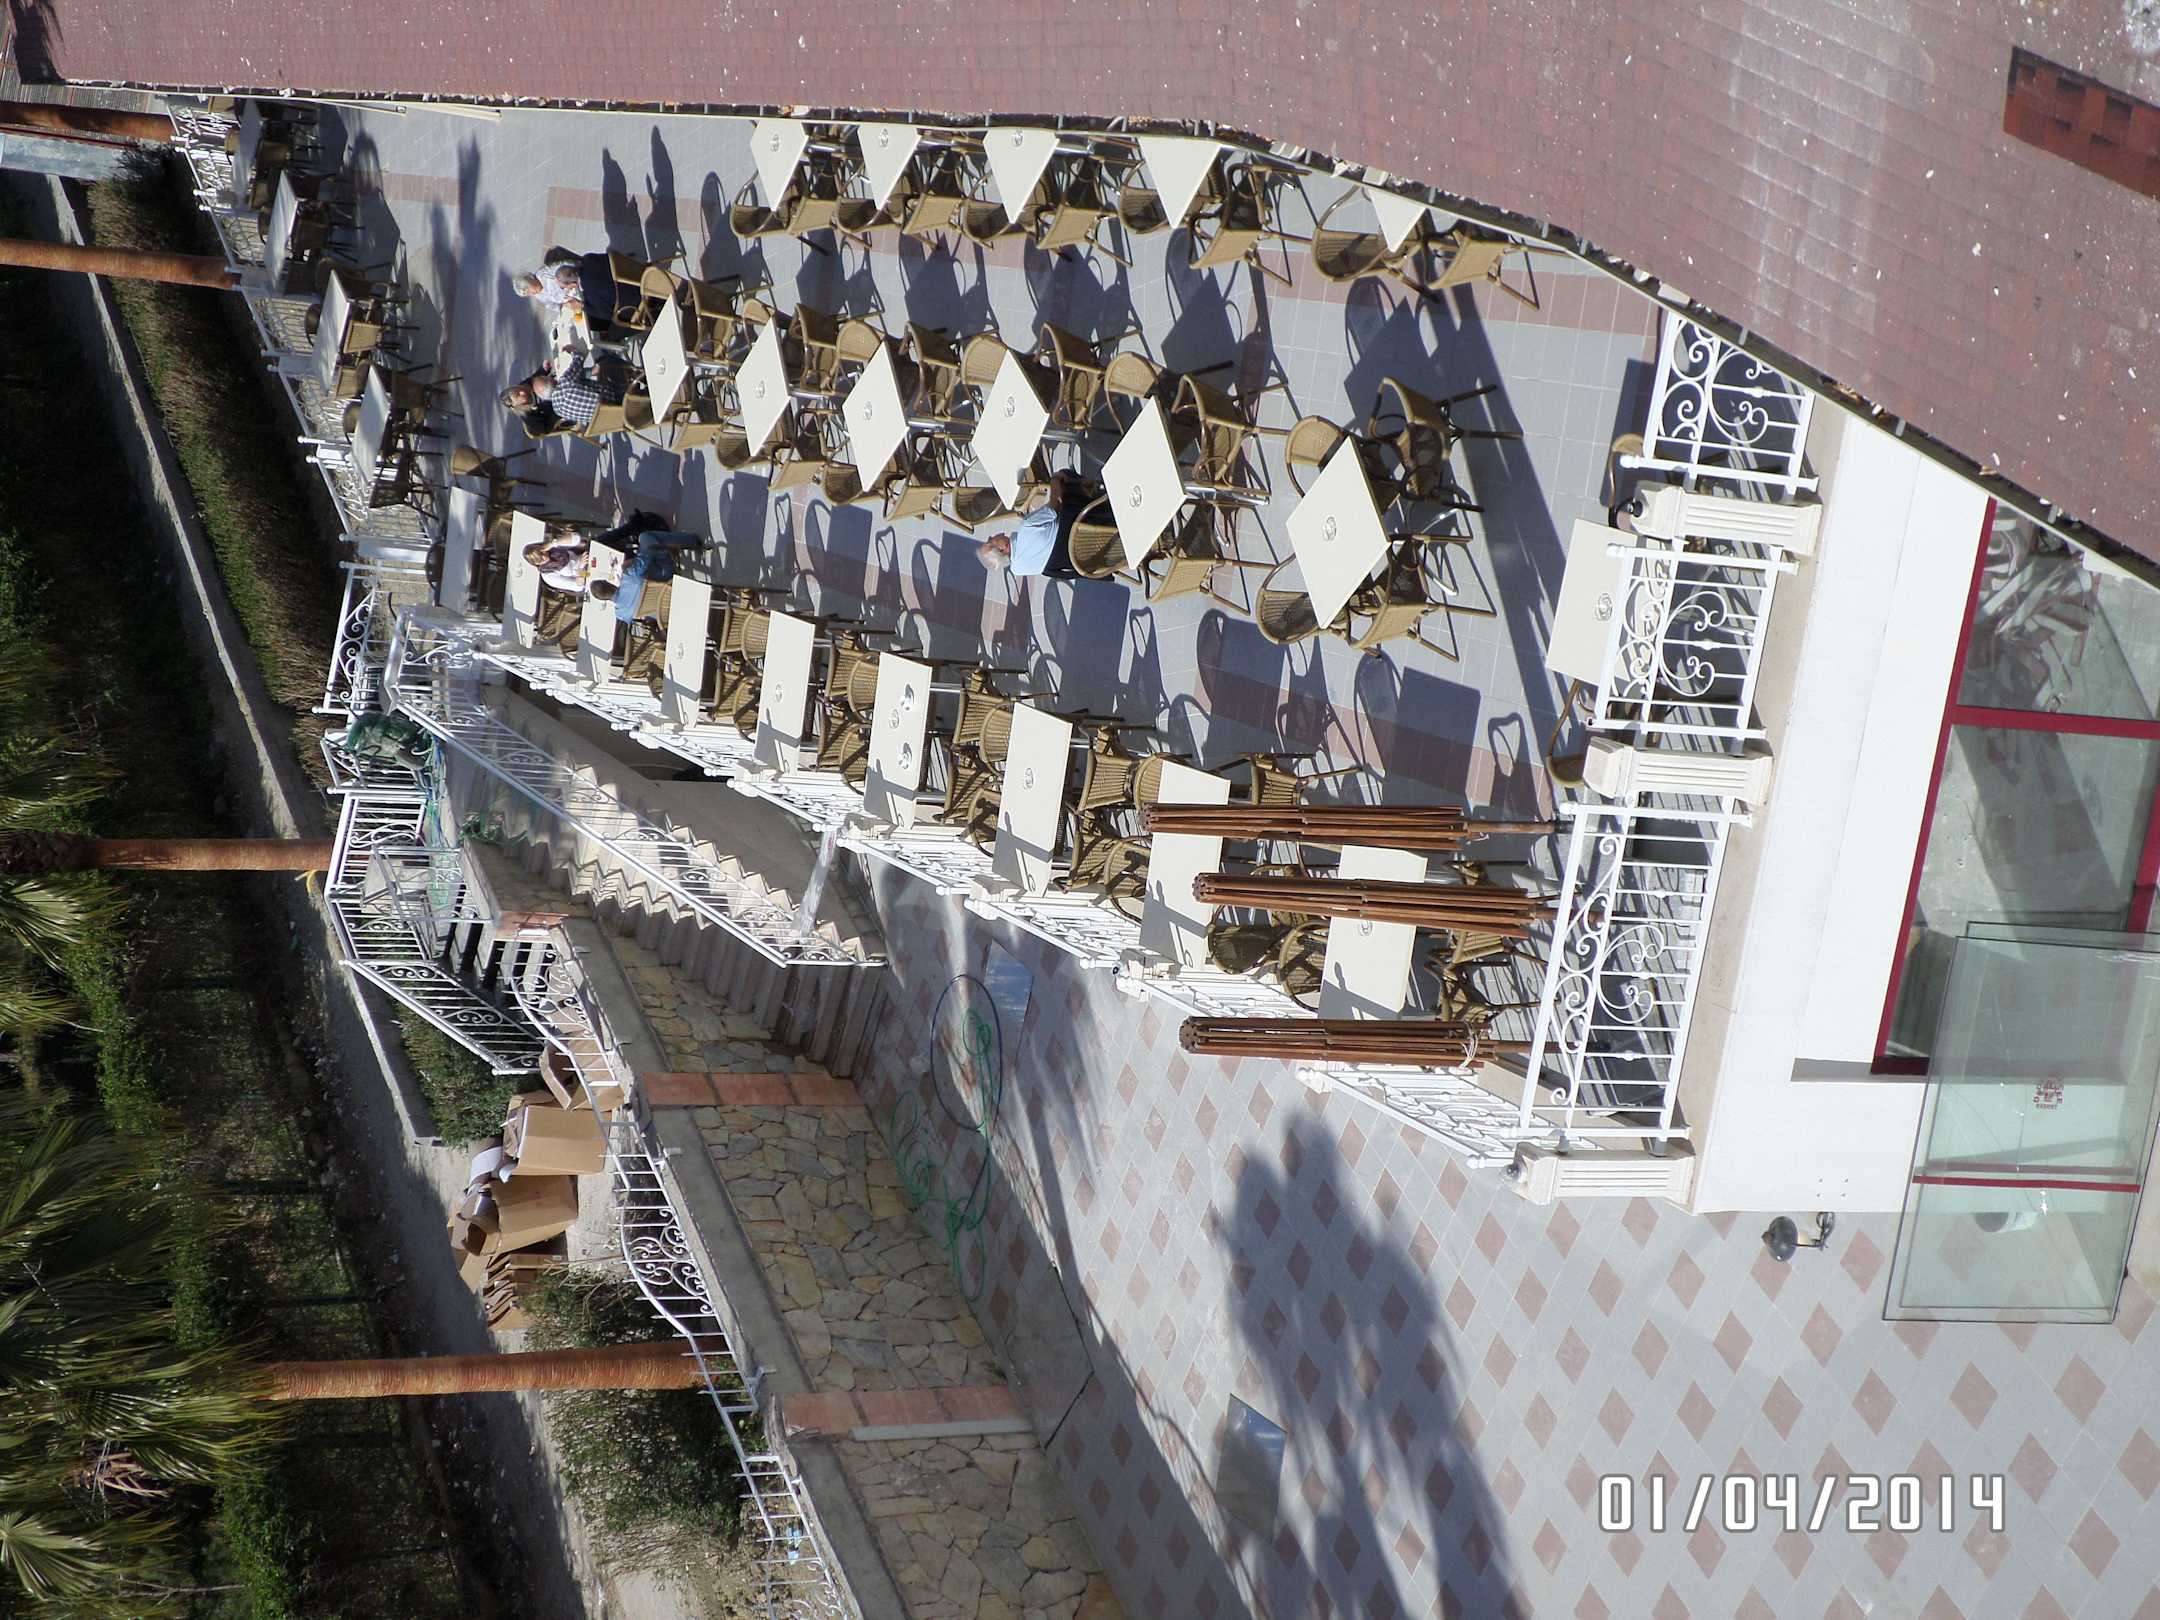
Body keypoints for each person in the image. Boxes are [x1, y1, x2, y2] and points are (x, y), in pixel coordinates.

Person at [584, 514, 705, 627]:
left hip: (665, 609)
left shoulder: (621, 614)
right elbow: (645, 556)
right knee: (645, 537)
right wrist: (632, 562)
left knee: (645, 570)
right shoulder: (630, 578)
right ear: (608, 583)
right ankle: (692, 540)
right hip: (666, 574)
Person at [974, 471, 1094, 581]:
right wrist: (1055, 479)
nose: (990, 537)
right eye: (990, 541)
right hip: (1089, 520)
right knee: (1062, 478)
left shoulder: (1018, 569)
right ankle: (1098, 488)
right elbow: (1056, 503)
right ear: (1002, 549)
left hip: (1091, 558)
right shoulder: (1027, 527)